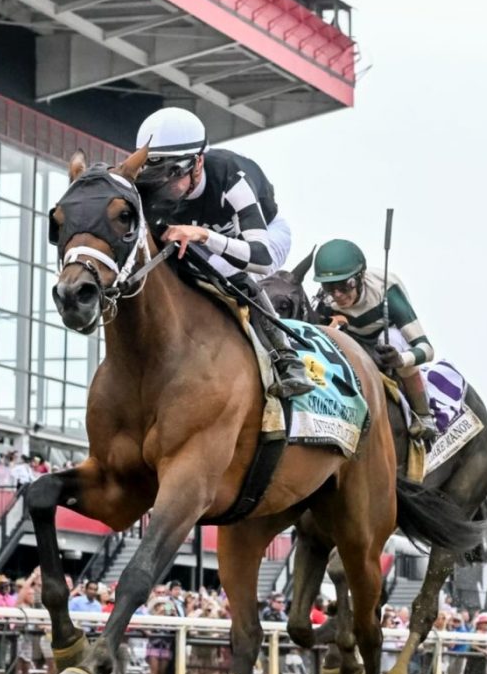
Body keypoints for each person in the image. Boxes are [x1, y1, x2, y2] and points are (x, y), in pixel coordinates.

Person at [131, 107, 313, 398]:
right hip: (208, 242)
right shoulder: (155, 189)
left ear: (198, 163)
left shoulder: (231, 177)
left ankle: (287, 358)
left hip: (264, 237)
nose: (164, 187)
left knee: (230, 272)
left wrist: (204, 235)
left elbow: (262, 260)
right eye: (155, 176)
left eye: (172, 175)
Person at [311, 237, 439, 445]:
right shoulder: (326, 301)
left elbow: (426, 349)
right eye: (329, 287)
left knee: (394, 340)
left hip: (387, 341)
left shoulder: (386, 291)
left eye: (346, 285)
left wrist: (401, 359)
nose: (338, 295)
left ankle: (423, 416)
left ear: (360, 277)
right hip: (355, 341)